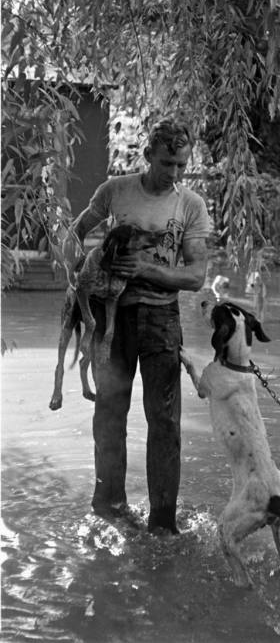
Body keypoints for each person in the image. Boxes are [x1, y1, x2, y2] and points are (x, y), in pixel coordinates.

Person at [70, 119, 211, 534]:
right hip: (111, 318)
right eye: (167, 163)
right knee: (109, 412)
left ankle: (163, 524)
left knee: (164, 423)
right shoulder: (115, 191)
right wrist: (77, 268)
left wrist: (148, 268)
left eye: (182, 165)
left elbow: (196, 276)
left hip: (161, 320)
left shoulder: (191, 206)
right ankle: (108, 509)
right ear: (148, 155)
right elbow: (75, 233)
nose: (175, 174)